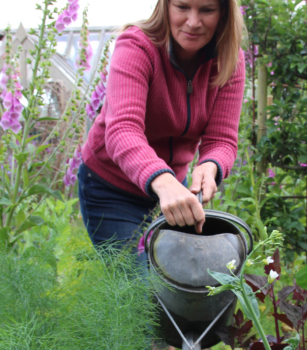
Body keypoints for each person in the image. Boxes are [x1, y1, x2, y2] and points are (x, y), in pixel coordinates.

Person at [78, 0, 245, 267]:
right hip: (112, 186)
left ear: (223, 12)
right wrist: (163, 180)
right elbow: (122, 129)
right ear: (165, 6)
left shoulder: (229, 60)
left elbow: (221, 140)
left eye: (206, 10)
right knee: (141, 294)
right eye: (182, 7)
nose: (193, 21)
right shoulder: (136, 46)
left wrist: (212, 164)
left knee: (182, 284)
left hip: (173, 191)